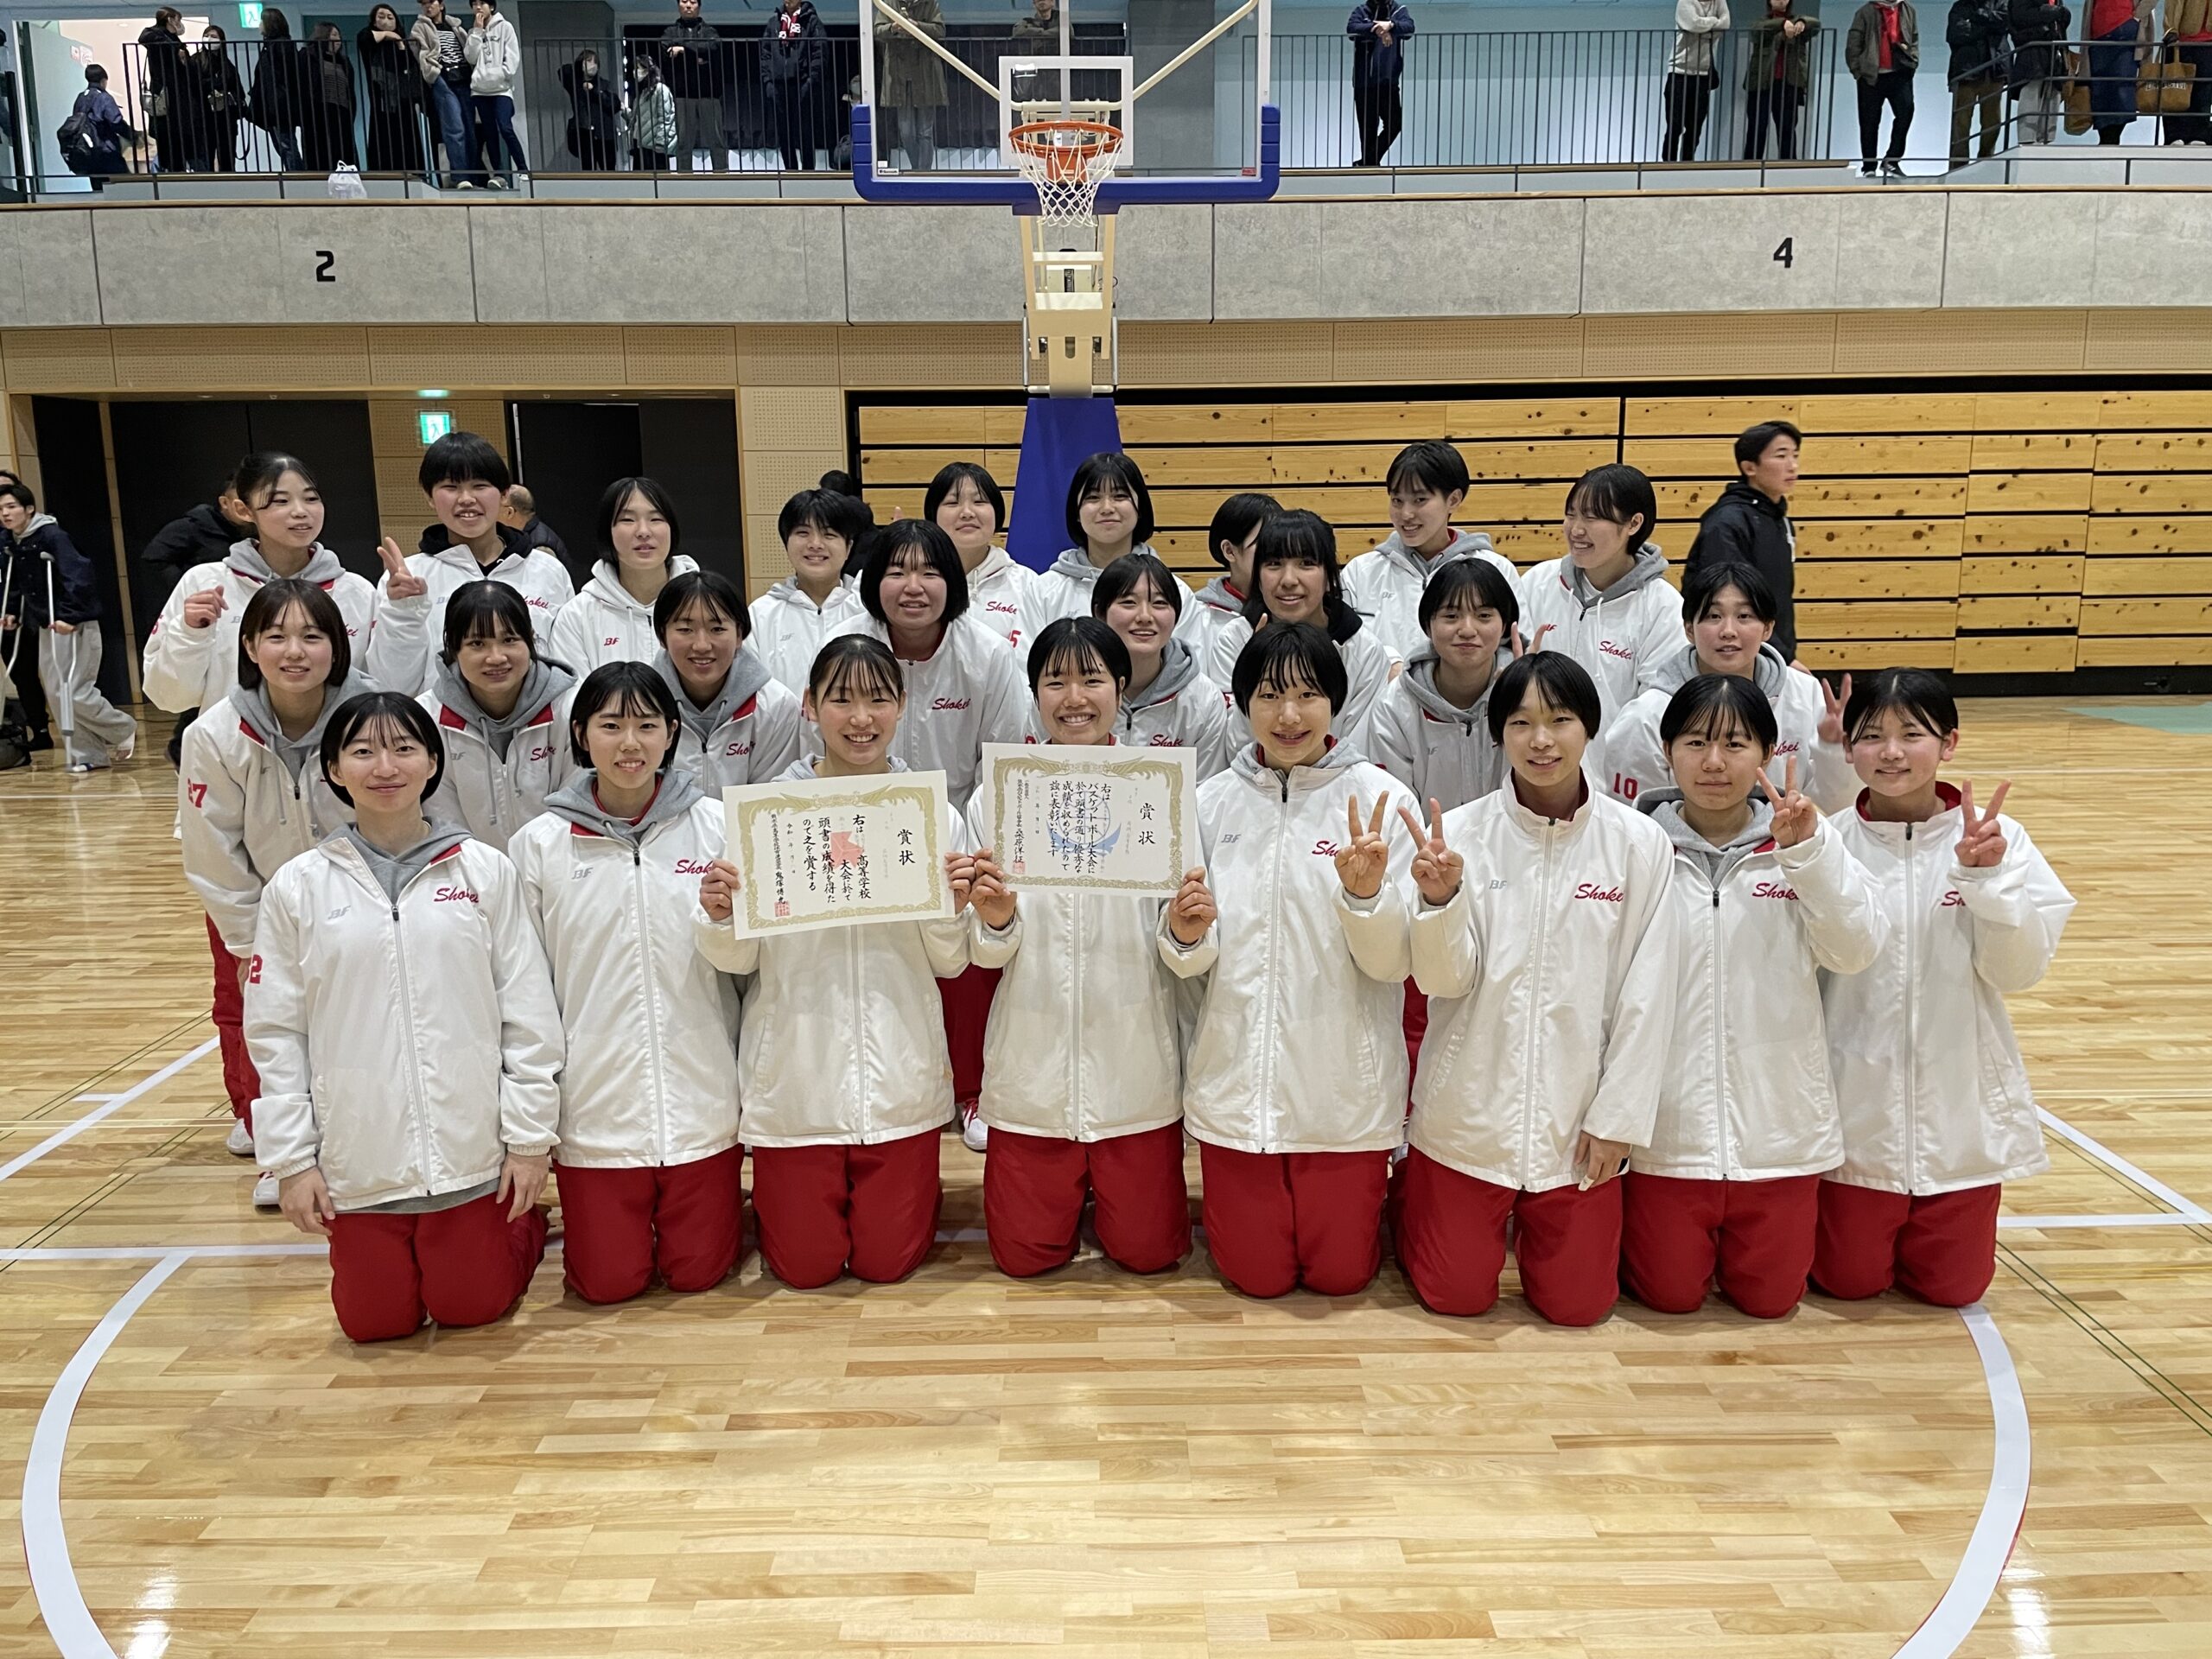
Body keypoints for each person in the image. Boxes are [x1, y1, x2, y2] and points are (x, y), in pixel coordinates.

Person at [251, 691, 562, 1344]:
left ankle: (521, 1228)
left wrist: (529, 1142)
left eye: (403, 748)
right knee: (373, 1324)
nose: (385, 767)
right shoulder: (297, 888)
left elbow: (527, 1010)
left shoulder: (485, 871)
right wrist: (292, 1162)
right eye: (363, 752)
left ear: (432, 762)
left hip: (470, 1155)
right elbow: (276, 1033)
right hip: (359, 1163)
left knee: (471, 1307)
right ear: (333, 769)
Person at [1399, 652, 1680, 1325]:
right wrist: (1439, 902)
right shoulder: (1459, 837)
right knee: (1454, 1298)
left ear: (1590, 728)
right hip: (1467, 1121)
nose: (1542, 740)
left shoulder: (1640, 845)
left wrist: (1617, 1122)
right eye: (1521, 723)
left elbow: (1649, 997)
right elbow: (1440, 980)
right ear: (1500, 734)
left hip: (1576, 1128)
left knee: (1578, 1308)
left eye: (1560, 720)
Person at [694, 635, 976, 1288]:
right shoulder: (767, 815)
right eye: (842, 700)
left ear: (902, 705)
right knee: (806, 1267)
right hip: (798, 1078)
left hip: (898, 1072)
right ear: (810, 706)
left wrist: (950, 907)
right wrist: (720, 913)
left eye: (878, 699)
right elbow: (738, 958)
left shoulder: (931, 815)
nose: (861, 719)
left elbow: (950, 963)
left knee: (887, 1263)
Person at [1160, 624, 1419, 1300]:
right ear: (1243, 703)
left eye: (1309, 694)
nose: (1290, 715)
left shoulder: (1383, 803)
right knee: (1256, 1277)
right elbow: (1185, 962)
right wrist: (1184, 934)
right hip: (1236, 1089)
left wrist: (1366, 898)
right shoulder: (1207, 804)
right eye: (1270, 695)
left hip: (1343, 1096)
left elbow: (1395, 963)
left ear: (1337, 701)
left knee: (1341, 1278)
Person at [1620, 675, 1886, 1319]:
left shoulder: (1808, 841)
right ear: (1666, 752)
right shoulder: (1631, 847)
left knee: (1771, 1302)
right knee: (1667, 1299)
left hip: (1778, 1134)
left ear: (1768, 752)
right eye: (1695, 743)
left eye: (1735, 744)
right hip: (1665, 1139)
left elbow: (1854, 952)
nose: (1714, 762)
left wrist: (1808, 857)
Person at [1814, 670, 2075, 1306]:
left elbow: (2017, 972)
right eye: (1871, 736)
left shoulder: (1999, 840)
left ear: (1949, 743)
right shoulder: (1827, 843)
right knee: (1846, 1283)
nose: (1891, 752)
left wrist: (1987, 882)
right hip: (1854, 1117)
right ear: (1847, 748)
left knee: (1955, 1289)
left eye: (1912, 734)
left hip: (1961, 1116)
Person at [963, 617, 1194, 1277]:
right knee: (1022, 1260)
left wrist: (1185, 934)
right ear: (1034, 692)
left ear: (1121, 687)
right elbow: (983, 954)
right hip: (1031, 1075)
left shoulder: (1162, 790)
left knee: (1149, 1255)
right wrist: (997, 922)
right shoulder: (998, 795)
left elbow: (1188, 950)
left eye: (1091, 680)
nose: (1074, 698)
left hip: (1134, 1074)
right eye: (1055, 681)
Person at [510, 661, 744, 1305]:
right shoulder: (538, 846)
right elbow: (525, 990)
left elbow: (751, 964)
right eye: (611, 726)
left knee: (699, 1274)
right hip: (597, 1115)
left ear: (672, 733)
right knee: (607, 1285)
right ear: (580, 735)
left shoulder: (718, 829)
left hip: (702, 1105)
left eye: (647, 725)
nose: (630, 743)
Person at [178, 579, 373, 1205]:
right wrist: (248, 940)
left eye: (312, 636)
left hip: (363, 902)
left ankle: (366, 1143)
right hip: (263, 910)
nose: (295, 651)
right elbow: (212, 849)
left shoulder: (372, 715)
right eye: (276, 636)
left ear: (337, 645)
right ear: (249, 646)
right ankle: (284, 1156)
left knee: (363, 1023)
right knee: (274, 1027)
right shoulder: (215, 735)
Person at [1595, 562, 1855, 813]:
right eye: (1714, 616)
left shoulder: (1806, 695)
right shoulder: (1646, 717)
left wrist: (1833, 750)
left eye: (1744, 616)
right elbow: (1635, 822)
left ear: (1767, 628)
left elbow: (1834, 810)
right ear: (1689, 629)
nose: (1728, 631)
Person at [143, 452, 385, 721]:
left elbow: (382, 687)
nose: (300, 511)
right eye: (280, 501)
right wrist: (190, 634)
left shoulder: (357, 592)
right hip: (233, 744)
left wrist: (402, 613)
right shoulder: (204, 583)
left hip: (334, 745)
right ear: (243, 510)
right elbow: (168, 698)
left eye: (311, 498)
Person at [827, 518, 1027, 814]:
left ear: (952, 581)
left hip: (957, 824)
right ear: (874, 580)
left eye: (929, 573)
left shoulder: (989, 653)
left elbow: (1000, 760)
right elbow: (819, 746)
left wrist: (970, 830)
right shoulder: (839, 648)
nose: (913, 587)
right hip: (860, 818)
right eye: (896, 573)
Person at [368, 430, 575, 696]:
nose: (466, 499)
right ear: (429, 497)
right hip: (441, 719)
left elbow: (566, 670)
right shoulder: (409, 578)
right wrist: (402, 612)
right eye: (451, 487)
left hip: (537, 720)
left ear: (504, 494)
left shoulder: (548, 571)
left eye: (479, 486)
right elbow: (392, 685)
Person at [1206, 509, 1395, 753]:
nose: (1288, 580)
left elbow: (1357, 751)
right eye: (1274, 564)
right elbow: (1233, 750)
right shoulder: (1235, 640)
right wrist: (1255, 667)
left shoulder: (1364, 650)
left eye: (1306, 564)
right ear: (1258, 577)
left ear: (1329, 575)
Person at [1516, 464, 1681, 732]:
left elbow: (1657, 709)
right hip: (1539, 752)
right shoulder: (1538, 582)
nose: (1576, 530)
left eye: (1591, 518)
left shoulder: (1663, 607)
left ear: (1633, 524)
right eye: (1571, 515)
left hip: (1617, 760)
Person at [418, 581, 577, 853]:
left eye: (509, 640)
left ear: (531, 639)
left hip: (558, 864)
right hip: (468, 871)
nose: (496, 657)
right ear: (453, 648)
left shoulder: (571, 707)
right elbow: (441, 821)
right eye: (477, 643)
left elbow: (575, 806)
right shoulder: (426, 720)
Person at [1368, 556, 1523, 815]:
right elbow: (1395, 812)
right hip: (1423, 841)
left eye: (1484, 616)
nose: (1467, 630)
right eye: (1451, 616)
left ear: (1505, 626)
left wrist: (1528, 699)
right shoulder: (1394, 708)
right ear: (1428, 625)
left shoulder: (1528, 698)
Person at [1340, 439, 1516, 665]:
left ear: (1453, 500)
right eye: (1397, 500)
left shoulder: (1496, 569)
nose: (1406, 514)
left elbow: (1515, 646)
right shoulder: (1360, 572)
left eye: (1419, 500)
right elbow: (1344, 652)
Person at [0, 484, 136, 773]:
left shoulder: (52, 536)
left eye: (11, 506)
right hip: (47, 625)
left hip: (74, 624)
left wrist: (71, 616)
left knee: (74, 691)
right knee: (57, 693)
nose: (5, 514)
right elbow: (17, 582)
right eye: (0, 509)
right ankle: (89, 755)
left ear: (29, 509)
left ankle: (122, 728)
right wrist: (11, 611)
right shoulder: (12, 541)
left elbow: (79, 576)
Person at [652, 569, 803, 790]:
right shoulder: (640, 706)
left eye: (717, 629)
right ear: (662, 635)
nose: (702, 645)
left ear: (739, 634)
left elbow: (773, 798)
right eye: (685, 629)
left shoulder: (777, 707)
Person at [1091, 552, 1230, 775]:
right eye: (1129, 603)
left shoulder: (1203, 699)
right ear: (1100, 613)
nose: (1145, 616)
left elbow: (1206, 789)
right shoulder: (1072, 690)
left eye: (1159, 603)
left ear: (1176, 616)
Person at [549, 476, 697, 671]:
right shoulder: (577, 615)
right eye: (627, 520)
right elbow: (571, 688)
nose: (643, 531)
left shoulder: (703, 604)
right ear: (607, 532)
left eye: (656, 519)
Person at [1686, 420, 1802, 660]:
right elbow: (1729, 598)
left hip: (1771, 652)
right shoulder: (1727, 522)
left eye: (1795, 455)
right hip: (1734, 654)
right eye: (1781, 456)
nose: (1792, 465)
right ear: (1750, 467)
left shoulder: (1777, 519)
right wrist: (1778, 656)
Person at [749, 486, 868, 694]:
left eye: (829, 534)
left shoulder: (866, 609)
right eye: (803, 533)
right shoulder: (760, 615)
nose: (815, 544)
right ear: (786, 543)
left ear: (848, 547)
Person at [1029, 453, 1158, 625]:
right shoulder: (1044, 590)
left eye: (1120, 496)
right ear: (1076, 512)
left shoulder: (1171, 591)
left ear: (1140, 508)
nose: (1107, 508)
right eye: (1093, 497)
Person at [927, 461, 1030, 651]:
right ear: (933, 514)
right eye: (952, 503)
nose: (967, 513)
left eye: (979, 501)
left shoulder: (1029, 586)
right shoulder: (917, 584)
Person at [1177, 492, 1279, 662]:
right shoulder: (1198, 616)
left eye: (1278, 544)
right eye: (1263, 544)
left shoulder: (1292, 608)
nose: (1274, 554)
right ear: (1229, 551)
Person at [1847, 0, 1919, 175]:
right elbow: (1853, 44)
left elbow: (1914, 38)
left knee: (1906, 113)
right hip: (1871, 76)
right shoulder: (1865, 12)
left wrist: (1913, 61)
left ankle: (1892, 160)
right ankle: (1869, 167)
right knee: (1869, 122)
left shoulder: (1908, 9)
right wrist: (1858, 71)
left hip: (1899, 73)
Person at [413, 0, 479, 187]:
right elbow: (419, 52)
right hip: (442, 78)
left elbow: (467, 49)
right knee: (454, 127)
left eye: (431, 2)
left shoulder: (455, 26)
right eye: (424, 4)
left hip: (464, 78)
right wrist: (432, 71)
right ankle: (460, 177)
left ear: (441, 5)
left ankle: (474, 176)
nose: (428, 7)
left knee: (470, 128)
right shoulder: (420, 27)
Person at [874, 0, 945, 168]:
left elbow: (940, 30)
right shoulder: (889, 3)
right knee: (906, 132)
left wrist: (917, 26)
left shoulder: (929, 3)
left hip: (925, 71)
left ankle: (923, 174)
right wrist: (893, 28)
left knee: (925, 131)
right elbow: (877, 30)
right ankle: (917, 169)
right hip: (899, 73)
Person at [1745, 0, 1820, 159]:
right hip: (1762, 83)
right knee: (1757, 127)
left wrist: (1802, 22)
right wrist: (1782, 24)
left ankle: (1788, 166)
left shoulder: (1797, 21)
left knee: (1787, 128)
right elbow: (1756, 30)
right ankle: (1750, 166)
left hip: (1788, 83)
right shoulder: (1762, 22)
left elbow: (1816, 24)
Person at [359, 5, 426, 174]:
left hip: (404, 100)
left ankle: (412, 173)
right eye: (381, 16)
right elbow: (364, 38)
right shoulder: (371, 41)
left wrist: (400, 44)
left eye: (390, 17)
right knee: (383, 136)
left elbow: (409, 68)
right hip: (382, 99)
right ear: (374, 22)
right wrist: (389, 35)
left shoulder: (403, 44)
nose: (386, 20)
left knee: (408, 136)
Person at [662, 0, 728, 170]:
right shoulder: (670, 32)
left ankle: (722, 176)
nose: (688, 6)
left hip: (709, 93)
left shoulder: (709, 31)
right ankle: (684, 179)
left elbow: (713, 47)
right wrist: (697, 56)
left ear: (699, 6)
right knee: (684, 141)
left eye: (693, 2)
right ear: (678, 5)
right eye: (684, 1)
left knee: (717, 139)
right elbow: (665, 49)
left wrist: (683, 50)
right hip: (682, 93)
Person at [1346, 0, 1414, 166]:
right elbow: (1352, 28)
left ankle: (1368, 162)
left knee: (1394, 124)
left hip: (1388, 80)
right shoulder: (1362, 11)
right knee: (1367, 128)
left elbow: (1409, 28)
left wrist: (1390, 26)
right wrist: (1379, 30)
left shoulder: (1398, 10)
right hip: (1364, 82)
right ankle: (1369, 166)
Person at [466, 0, 525, 185]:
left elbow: (513, 58)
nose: (478, 7)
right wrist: (477, 32)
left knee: (505, 127)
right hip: (479, 91)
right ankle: (499, 175)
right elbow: (470, 57)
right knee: (489, 132)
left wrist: (501, 74)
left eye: (482, 3)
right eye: (474, 4)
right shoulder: (473, 32)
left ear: (491, 7)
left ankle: (523, 170)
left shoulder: (505, 27)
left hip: (501, 90)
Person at [1664, 0, 1731, 162]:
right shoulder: (1685, 2)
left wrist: (1700, 29)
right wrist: (1713, 23)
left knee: (1695, 126)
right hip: (1679, 72)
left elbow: (1726, 23)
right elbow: (1692, 24)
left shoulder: (1719, 2)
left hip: (1702, 73)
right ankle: (1668, 162)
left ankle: (1687, 161)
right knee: (1675, 125)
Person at [1947, 0, 2012, 161]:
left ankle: (1985, 160)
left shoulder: (2003, 3)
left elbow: (2004, 23)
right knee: (1961, 122)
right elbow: (1956, 34)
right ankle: (1959, 164)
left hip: (1994, 69)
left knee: (1992, 122)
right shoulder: (1961, 5)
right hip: (1966, 71)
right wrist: (1989, 26)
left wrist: (1977, 19)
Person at [761, 0, 823, 170]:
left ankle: (808, 171)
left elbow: (819, 51)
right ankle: (790, 170)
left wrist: (811, 79)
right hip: (778, 84)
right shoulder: (774, 22)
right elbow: (765, 53)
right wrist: (768, 81)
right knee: (783, 131)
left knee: (805, 130)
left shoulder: (811, 21)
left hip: (802, 82)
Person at [2088, 0, 2153, 143]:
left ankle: (2111, 138)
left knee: (2122, 87)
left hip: (2124, 30)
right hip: (2098, 33)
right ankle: (2106, 138)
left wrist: (2136, 17)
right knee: (2100, 89)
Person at [248, 10, 306, 172]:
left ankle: (297, 175)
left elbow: (287, 77)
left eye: (262, 21)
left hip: (279, 106)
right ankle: (296, 174)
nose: (260, 25)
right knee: (284, 146)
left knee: (286, 146)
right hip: (274, 105)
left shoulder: (280, 46)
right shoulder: (271, 47)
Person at [2007, 0, 2071, 142]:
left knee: (2053, 97)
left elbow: (2062, 21)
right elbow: (2020, 16)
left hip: (2054, 53)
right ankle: (2027, 140)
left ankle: (2046, 140)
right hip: (2032, 51)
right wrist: (2052, 12)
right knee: (2031, 93)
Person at [137, 7, 192, 172]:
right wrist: (174, 49)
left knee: (179, 136)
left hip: (178, 93)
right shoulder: (155, 36)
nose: (180, 24)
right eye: (178, 20)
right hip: (164, 93)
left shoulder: (174, 39)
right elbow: (144, 38)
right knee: (167, 134)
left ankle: (177, 168)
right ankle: (169, 168)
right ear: (170, 19)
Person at [302, 22, 360, 174]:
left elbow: (349, 89)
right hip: (319, 113)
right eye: (334, 35)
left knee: (343, 150)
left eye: (339, 36)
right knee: (321, 151)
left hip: (341, 112)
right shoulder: (309, 57)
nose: (338, 40)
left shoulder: (344, 62)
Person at [191, 25, 249, 172]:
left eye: (214, 36)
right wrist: (217, 84)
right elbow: (193, 86)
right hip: (204, 118)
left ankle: (229, 183)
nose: (209, 39)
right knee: (206, 158)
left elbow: (238, 88)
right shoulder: (196, 60)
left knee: (227, 158)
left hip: (226, 118)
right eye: (207, 35)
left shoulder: (226, 64)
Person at [560, 48, 623, 170]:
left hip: (605, 135)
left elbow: (615, 105)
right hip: (585, 133)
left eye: (595, 62)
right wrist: (579, 68)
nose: (592, 65)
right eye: (589, 61)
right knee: (588, 170)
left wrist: (595, 91)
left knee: (609, 170)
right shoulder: (576, 84)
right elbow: (563, 71)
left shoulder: (604, 84)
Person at [71, 67, 134, 188]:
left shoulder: (81, 98)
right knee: (123, 187)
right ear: (103, 80)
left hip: (88, 152)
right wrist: (132, 136)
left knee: (99, 190)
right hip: (107, 151)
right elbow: (116, 122)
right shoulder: (104, 98)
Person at [499, 483, 573, 575]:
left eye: (496, 507)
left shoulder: (541, 549)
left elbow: (544, 582)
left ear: (510, 512)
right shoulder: (525, 536)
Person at [2170, 0, 2212, 144]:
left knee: (2204, 93)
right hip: (2183, 41)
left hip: (2208, 44)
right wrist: (2171, 30)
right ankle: (2175, 135)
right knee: (2176, 90)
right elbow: (2174, 4)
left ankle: (2199, 135)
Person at [628, 53, 677, 171]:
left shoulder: (660, 89)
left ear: (647, 70)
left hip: (655, 148)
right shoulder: (642, 92)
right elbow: (638, 118)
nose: (635, 72)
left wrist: (660, 143)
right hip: (641, 145)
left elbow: (666, 118)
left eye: (638, 68)